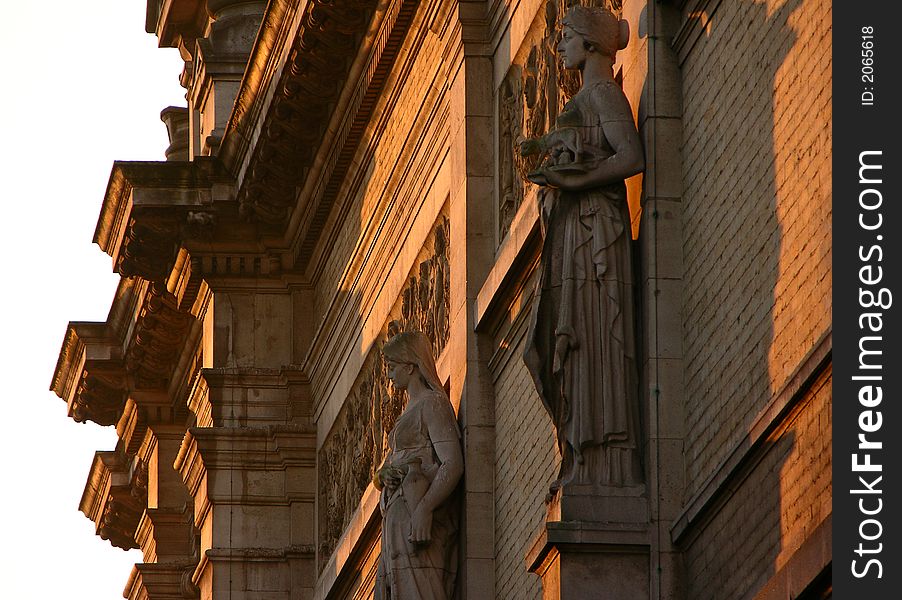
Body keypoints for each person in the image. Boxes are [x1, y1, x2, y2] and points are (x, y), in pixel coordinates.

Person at [521, 6, 645, 494]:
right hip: (574, 236)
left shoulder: (602, 93)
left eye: (566, 36)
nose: (559, 46)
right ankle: (577, 452)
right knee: (555, 347)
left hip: (596, 236)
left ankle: (601, 459)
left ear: (591, 44)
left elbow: (632, 155)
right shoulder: (583, 96)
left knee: (586, 341)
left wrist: (574, 179)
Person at [374, 331, 462, 599]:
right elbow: (390, 466)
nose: (389, 376)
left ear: (410, 366)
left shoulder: (432, 404)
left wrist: (424, 509)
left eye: (392, 367)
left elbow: (452, 463)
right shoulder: (409, 411)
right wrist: (384, 475)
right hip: (397, 518)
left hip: (416, 518)